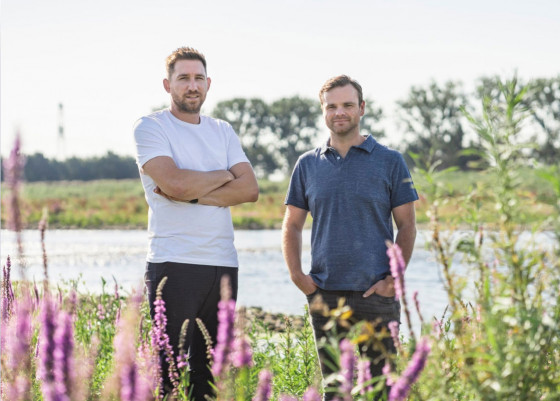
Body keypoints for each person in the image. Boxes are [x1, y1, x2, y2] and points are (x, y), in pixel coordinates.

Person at [133, 46, 258, 400]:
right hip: (173, 264)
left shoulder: (222, 130)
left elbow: (249, 189)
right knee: (168, 374)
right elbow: (174, 183)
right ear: (167, 84)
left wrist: (191, 192)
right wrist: (221, 176)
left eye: (198, 78)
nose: (192, 86)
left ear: (208, 84)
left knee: (212, 376)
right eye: (183, 78)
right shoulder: (151, 127)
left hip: (222, 264)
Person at [281, 75, 418, 399]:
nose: (339, 112)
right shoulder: (307, 165)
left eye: (347, 105)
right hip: (325, 295)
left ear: (362, 109)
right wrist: (298, 277)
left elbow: (408, 226)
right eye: (332, 106)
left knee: (382, 391)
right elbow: (292, 225)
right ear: (323, 111)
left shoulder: (390, 161)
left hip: (378, 296)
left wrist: (392, 281)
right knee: (335, 391)